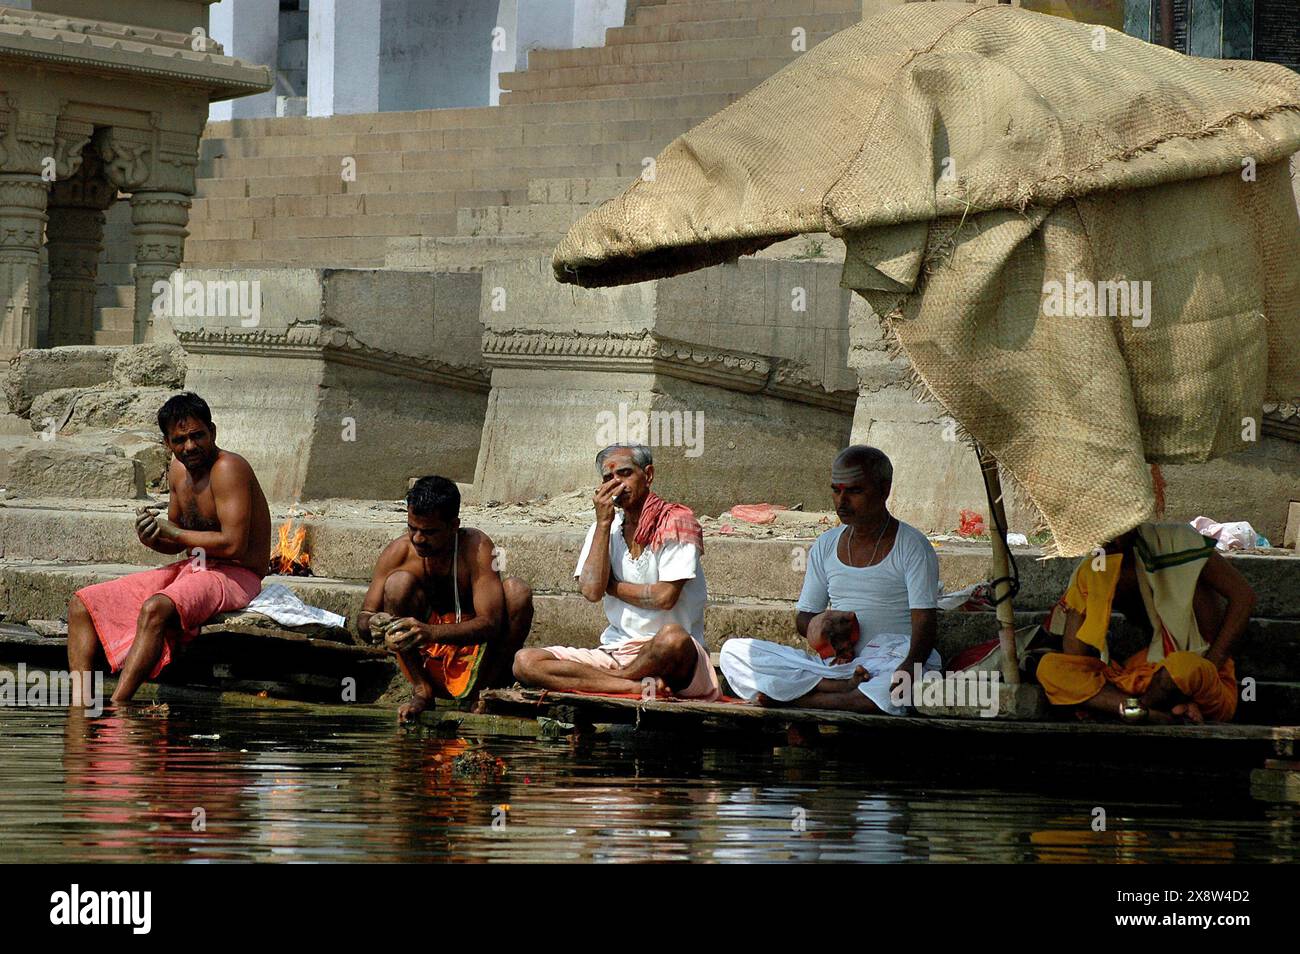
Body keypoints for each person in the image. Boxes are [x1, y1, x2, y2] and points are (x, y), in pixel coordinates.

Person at [67, 392, 270, 705]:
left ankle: (119, 707)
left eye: (197, 436)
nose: (190, 446)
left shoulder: (228, 468)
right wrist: (151, 538)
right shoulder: (178, 471)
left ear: (212, 432)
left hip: (238, 573)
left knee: (156, 608)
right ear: (167, 443)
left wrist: (173, 532)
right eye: (180, 440)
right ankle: (80, 706)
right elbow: (175, 542)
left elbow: (232, 544)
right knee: (82, 604)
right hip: (195, 568)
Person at [720, 445, 940, 713]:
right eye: (836, 490)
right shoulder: (826, 544)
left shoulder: (912, 545)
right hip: (839, 668)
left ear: (884, 490)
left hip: (893, 659)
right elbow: (804, 618)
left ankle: (799, 701)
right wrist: (822, 624)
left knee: (900, 687)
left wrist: (909, 665)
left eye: (854, 491)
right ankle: (838, 689)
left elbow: (925, 622)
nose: (841, 501)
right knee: (734, 653)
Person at [512, 443, 719, 700]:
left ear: (649, 475)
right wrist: (603, 522)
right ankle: (631, 687)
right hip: (615, 651)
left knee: (672, 637)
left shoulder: (676, 521)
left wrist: (612, 586)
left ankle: (615, 681)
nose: (617, 484)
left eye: (625, 474)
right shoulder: (605, 527)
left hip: (672, 658)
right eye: (608, 478)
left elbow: (664, 597)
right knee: (526, 661)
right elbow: (590, 590)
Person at [1033, 522, 1254, 723]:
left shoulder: (1180, 544)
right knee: (1050, 668)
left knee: (1181, 669)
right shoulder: (1095, 567)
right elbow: (1076, 657)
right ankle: (1150, 713)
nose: (1107, 537)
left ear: (1132, 522)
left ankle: (1135, 712)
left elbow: (1244, 596)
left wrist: (1212, 665)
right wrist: (1089, 583)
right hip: (1138, 680)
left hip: (1201, 677)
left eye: (1114, 524)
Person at [359, 475, 533, 723]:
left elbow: (491, 624)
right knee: (398, 584)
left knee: (517, 592)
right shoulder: (398, 552)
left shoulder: (478, 547)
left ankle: (482, 692)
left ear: (454, 526)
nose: (418, 538)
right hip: (427, 656)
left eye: (429, 531)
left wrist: (430, 632)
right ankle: (422, 691)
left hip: (477, 656)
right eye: (412, 528)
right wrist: (374, 623)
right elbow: (364, 619)